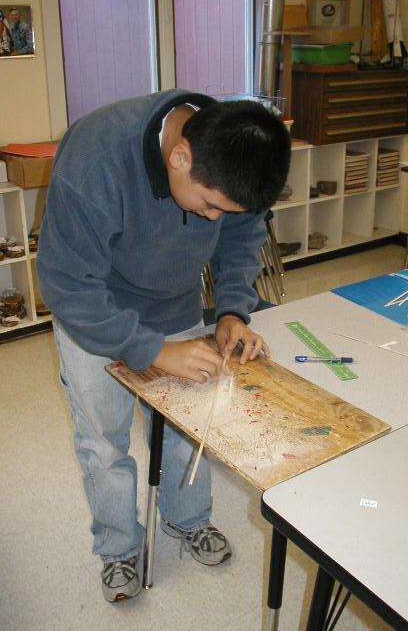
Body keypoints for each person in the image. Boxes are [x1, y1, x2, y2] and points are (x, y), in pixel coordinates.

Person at [37, 89, 291, 603]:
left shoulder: (230, 160)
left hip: (174, 306)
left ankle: (186, 519)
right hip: (95, 314)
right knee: (104, 443)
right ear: (179, 157)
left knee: (184, 428)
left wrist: (231, 311)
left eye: (226, 210)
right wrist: (150, 349)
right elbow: (67, 285)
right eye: (209, 206)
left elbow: (242, 239)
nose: (213, 220)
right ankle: (118, 549)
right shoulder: (95, 158)